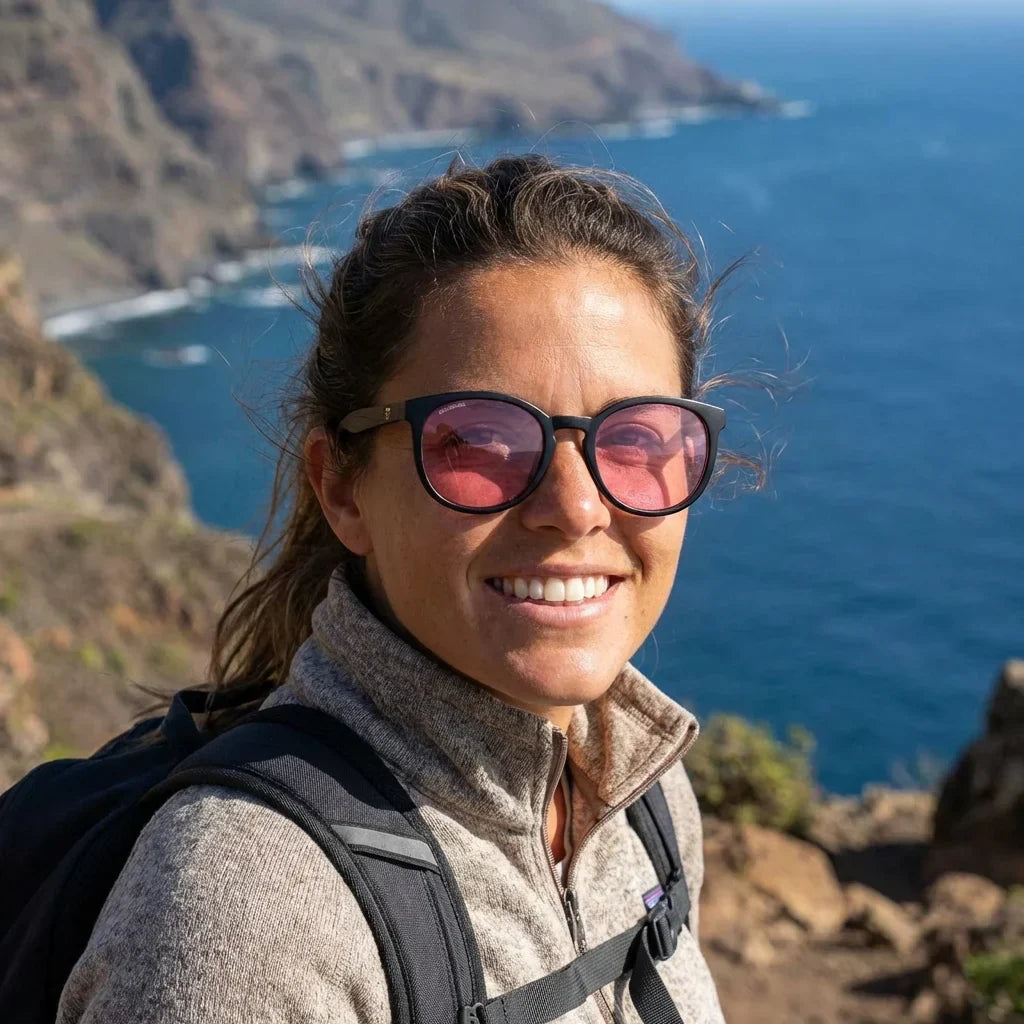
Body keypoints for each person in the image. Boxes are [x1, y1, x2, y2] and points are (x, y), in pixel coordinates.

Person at [57, 153, 734, 1023]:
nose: (575, 506)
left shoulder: (641, 793)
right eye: (479, 442)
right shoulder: (255, 918)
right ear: (343, 488)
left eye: (637, 437)